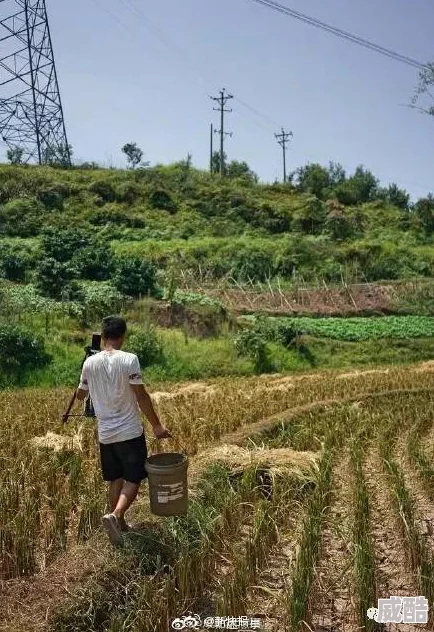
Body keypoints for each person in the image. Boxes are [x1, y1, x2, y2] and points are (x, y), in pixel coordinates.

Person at [76, 315, 171, 546]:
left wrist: (85, 366)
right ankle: (116, 515)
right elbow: (141, 395)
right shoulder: (129, 359)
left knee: (115, 479)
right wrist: (156, 425)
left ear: (104, 334)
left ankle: (120, 525)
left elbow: (80, 395)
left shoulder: (90, 362)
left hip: (106, 434)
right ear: (123, 336)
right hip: (129, 431)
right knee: (134, 479)